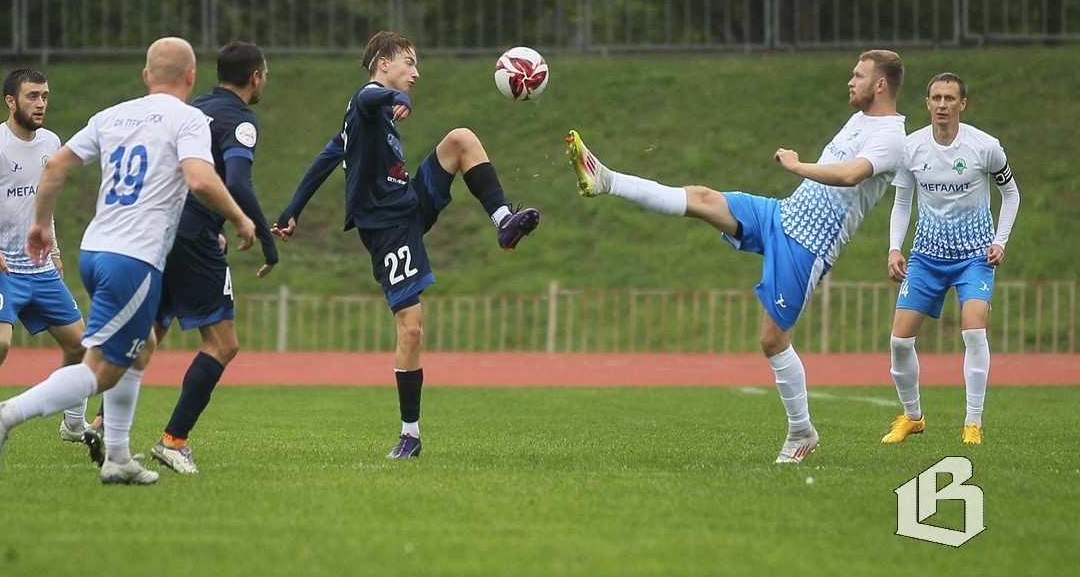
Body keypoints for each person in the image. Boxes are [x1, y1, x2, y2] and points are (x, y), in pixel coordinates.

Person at [565, 49, 907, 464]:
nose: (850, 81)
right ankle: (607, 179)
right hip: (782, 214)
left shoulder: (892, 137)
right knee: (703, 198)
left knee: (772, 340)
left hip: (808, 246)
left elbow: (852, 175)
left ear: (880, 84)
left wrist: (798, 166)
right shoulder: (860, 119)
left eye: (858, 75)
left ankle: (802, 431)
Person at [0, 37, 256, 485]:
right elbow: (201, 179)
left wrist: (40, 225)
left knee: (141, 348)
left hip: (96, 251)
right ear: (191, 77)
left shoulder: (112, 115)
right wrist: (240, 218)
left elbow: (55, 167)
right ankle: (5, 414)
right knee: (102, 370)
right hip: (135, 258)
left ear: (146, 76)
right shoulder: (188, 118)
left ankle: (119, 457)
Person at [272, 30, 540, 459]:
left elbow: (327, 157)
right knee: (412, 329)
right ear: (383, 63)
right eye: (409, 62)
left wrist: (292, 209)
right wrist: (399, 99)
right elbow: (372, 97)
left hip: (409, 202)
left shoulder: (366, 118)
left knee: (460, 139)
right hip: (386, 228)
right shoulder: (367, 100)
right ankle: (410, 435)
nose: (416, 73)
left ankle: (503, 220)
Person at [149, 41, 279, 474]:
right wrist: (264, 236)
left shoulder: (195, 108)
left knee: (150, 330)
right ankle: (173, 440)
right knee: (223, 343)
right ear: (255, 77)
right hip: (193, 234)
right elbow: (238, 181)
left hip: (159, 226)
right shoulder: (240, 119)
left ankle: (102, 421)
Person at [0, 68, 90, 450]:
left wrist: (53, 251)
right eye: (32, 96)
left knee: (81, 346)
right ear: (10, 101)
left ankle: (74, 426)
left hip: (39, 267)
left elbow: (44, 202)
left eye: (45, 96)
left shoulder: (51, 142)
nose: (41, 104)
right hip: (0, 269)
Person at [881, 72, 1020, 446]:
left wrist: (999, 241)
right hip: (926, 257)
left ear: (962, 104)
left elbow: (1011, 194)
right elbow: (902, 201)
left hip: (974, 256)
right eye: (936, 98)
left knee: (973, 330)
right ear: (927, 103)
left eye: (950, 98)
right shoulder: (911, 148)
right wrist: (894, 247)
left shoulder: (985, 148)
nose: (942, 104)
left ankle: (973, 423)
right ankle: (913, 418)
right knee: (899, 342)